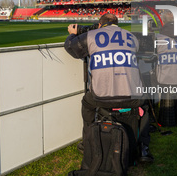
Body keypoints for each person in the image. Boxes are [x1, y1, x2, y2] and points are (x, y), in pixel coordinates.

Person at [64, 13, 153, 163]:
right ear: (117, 24)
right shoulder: (131, 37)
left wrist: (72, 34)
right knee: (145, 107)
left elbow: (70, 48)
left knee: (87, 104)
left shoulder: (92, 35)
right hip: (132, 98)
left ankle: (87, 143)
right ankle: (144, 148)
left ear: (100, 25)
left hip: (101, 98)